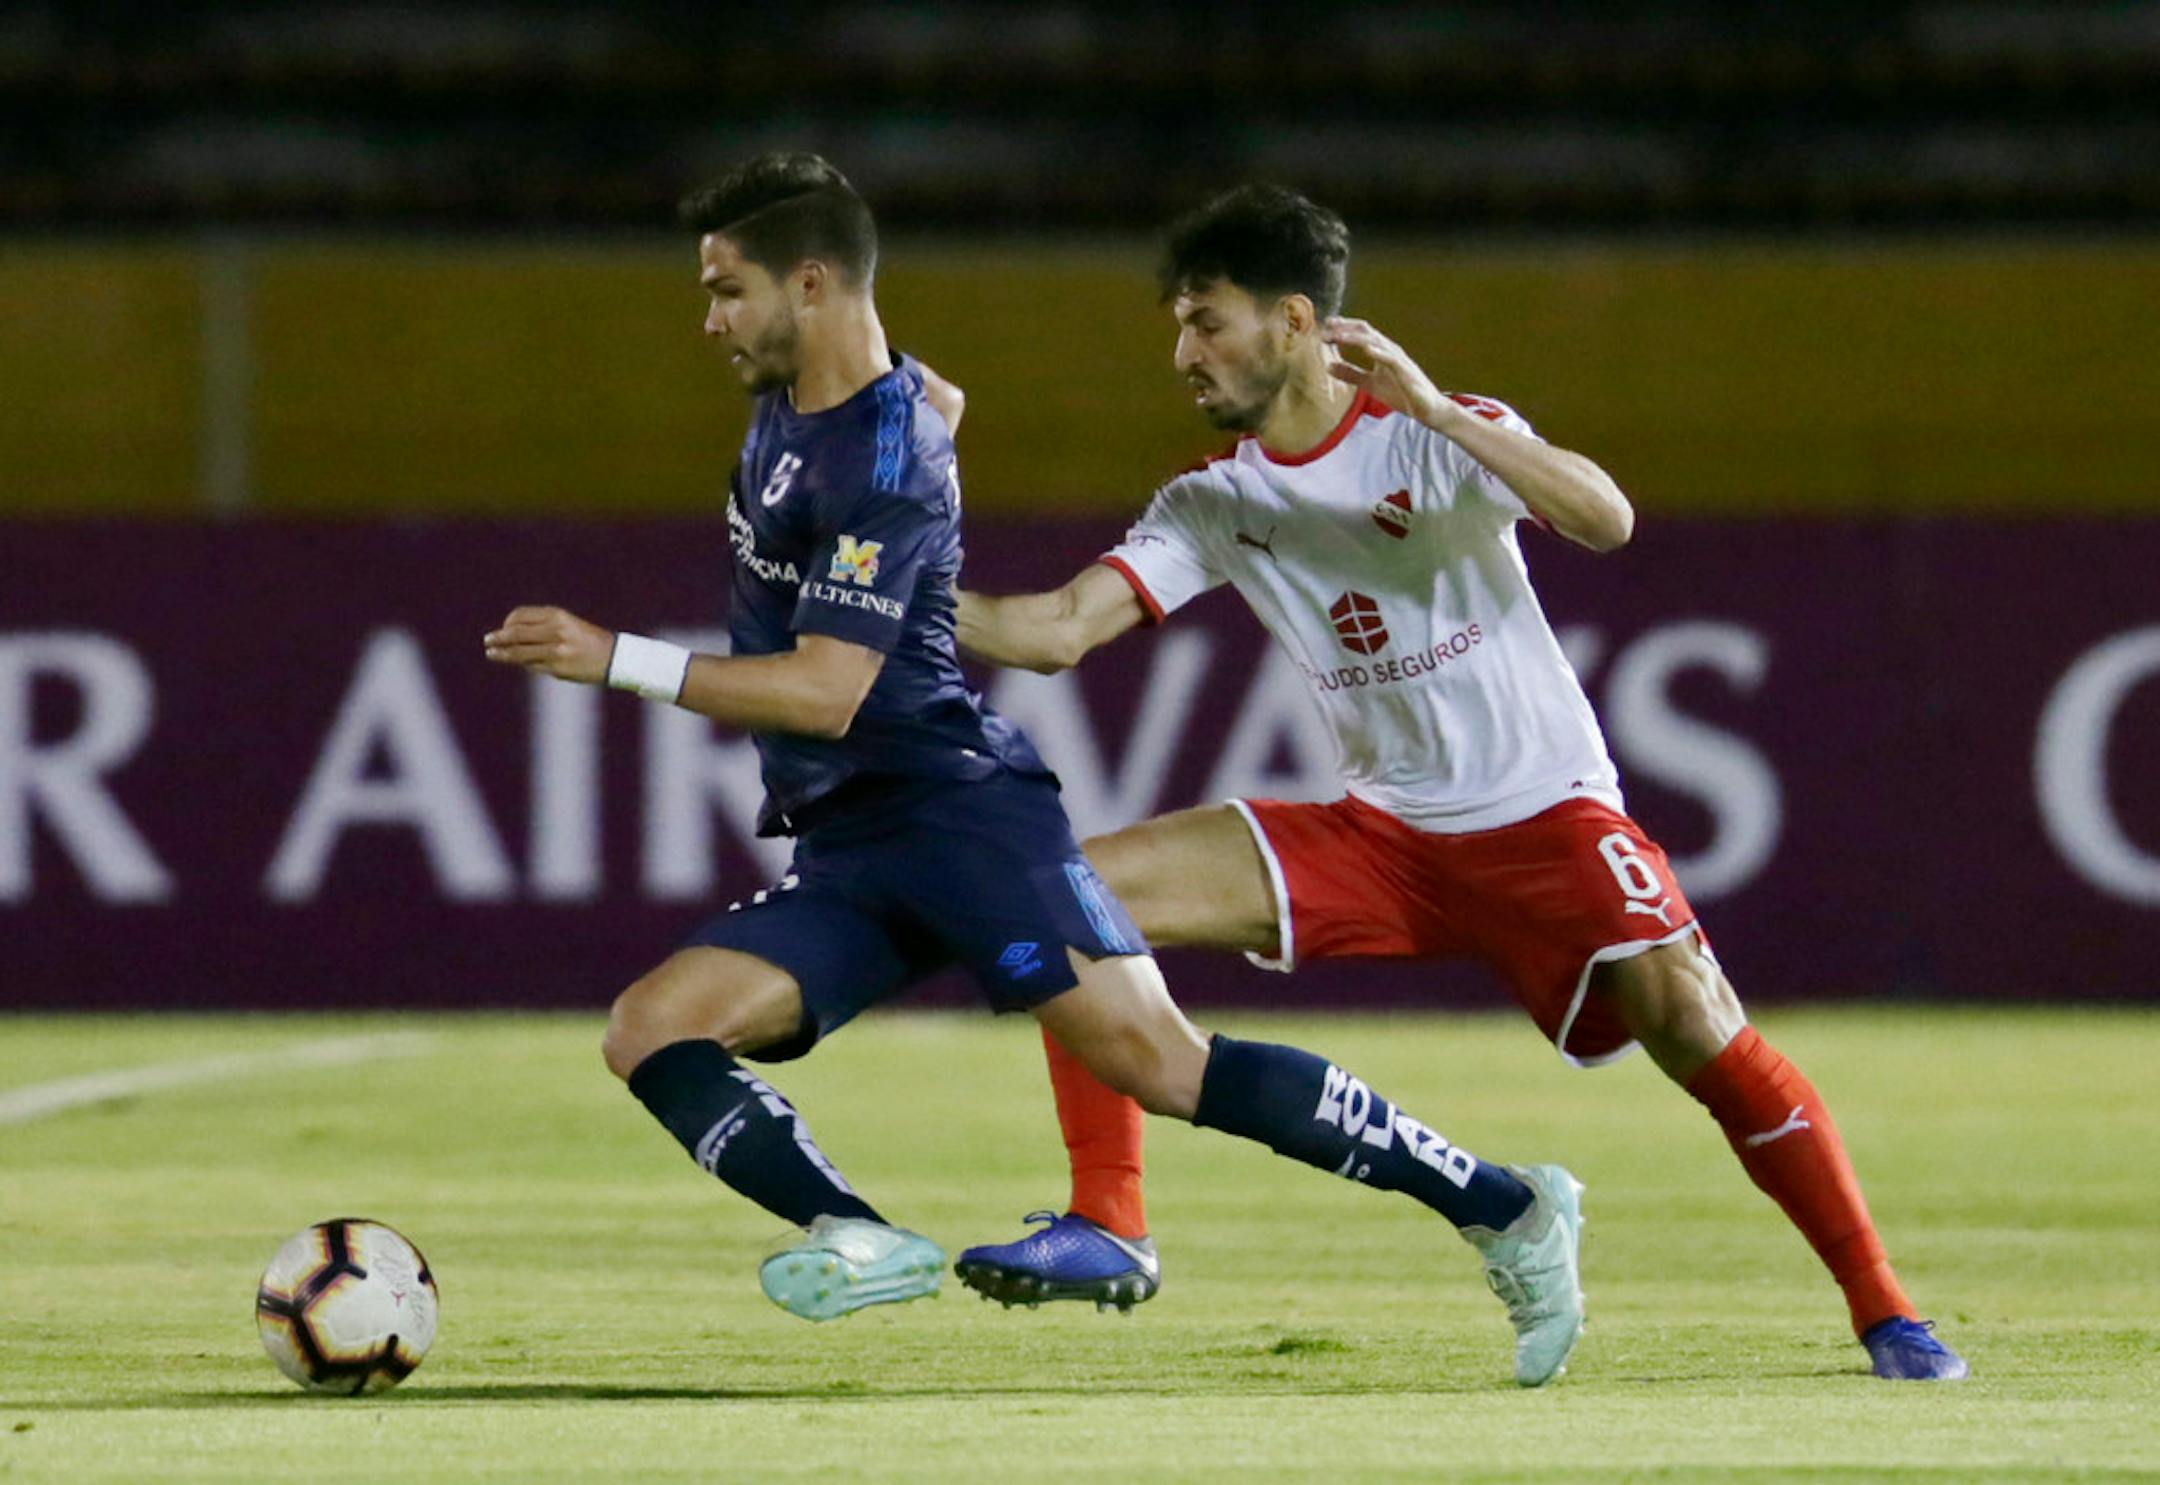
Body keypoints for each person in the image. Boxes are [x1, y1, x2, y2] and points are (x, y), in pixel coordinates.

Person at [482, 152, 1588, 1387]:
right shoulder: (819, 407)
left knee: (1163, 1067)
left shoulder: (882, 457)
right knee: (654, 1028)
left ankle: (1503, 1205)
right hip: (849, 839)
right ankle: (859, 1233)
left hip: (957, 820)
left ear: (810, 284)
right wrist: (930, 424)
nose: (710, 320)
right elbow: (928, 396)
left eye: (728, 291)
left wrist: (613, 658)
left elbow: (826, 689)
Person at [950, 184, 1967, 1383]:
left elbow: (1607, 519)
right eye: (1178, 325)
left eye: (1208, 322)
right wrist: (893, 602)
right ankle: (1110, 1222)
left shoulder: (1430, 432)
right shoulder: (1217, 497)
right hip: (1384, 833)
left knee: (1694, 1024)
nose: (1185, 353)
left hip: (1545, 817)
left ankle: (1886, 1310)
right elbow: (1058, 630)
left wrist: (1436, 406)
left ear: (1293, 322)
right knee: (1067, 899)